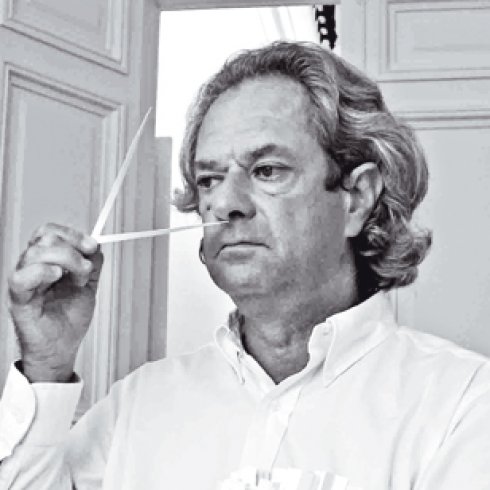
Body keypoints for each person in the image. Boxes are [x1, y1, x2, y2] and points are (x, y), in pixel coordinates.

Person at [0, 41, 489, 490]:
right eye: (209, 179)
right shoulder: (137, 403)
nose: (224, 203)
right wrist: (47, 363)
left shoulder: (462, 404)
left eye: (266, 170)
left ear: (356, 198)